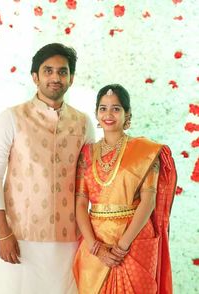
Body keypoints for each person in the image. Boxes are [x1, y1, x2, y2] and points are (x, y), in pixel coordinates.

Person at [0, 43, 94, 294]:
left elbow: (90, 180)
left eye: (62, 72)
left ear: (71, 78)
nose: (55, 77)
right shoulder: (11, 118)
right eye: (48, 71)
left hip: (68, 238)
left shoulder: (83, 123)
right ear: (35, 77)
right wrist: (3, 232)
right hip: (20, 236)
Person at [73, 84, 177, 294]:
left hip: (135, 240)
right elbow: (81, 202)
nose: (108, 114)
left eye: (116, 108)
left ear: (127, 114)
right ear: (96, 113)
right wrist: (96, 247)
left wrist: (122, 247)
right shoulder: (86, 153)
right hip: (96, 242)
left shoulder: (145, 152)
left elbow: (148, 202)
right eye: (103, 108)